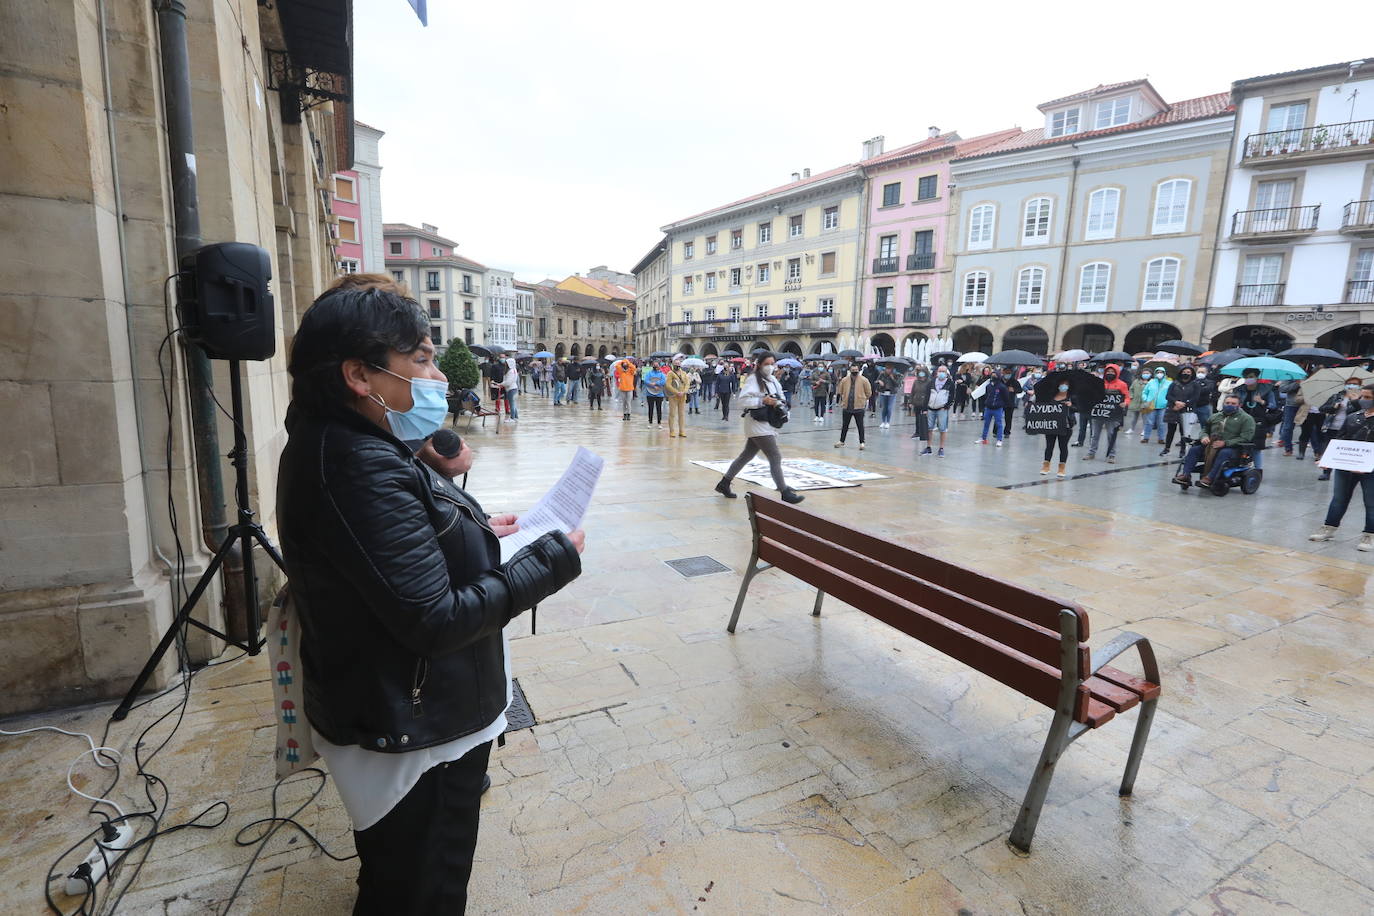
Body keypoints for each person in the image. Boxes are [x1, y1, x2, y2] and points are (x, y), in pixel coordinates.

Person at [277, 285, 584, 914]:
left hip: (399, 704)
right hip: (415, 722)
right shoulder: (355, 464)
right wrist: (551, 559)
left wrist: (480, 532)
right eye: (420, 360)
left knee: (398, 871)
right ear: (360, 375)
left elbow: (399, 550)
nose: (438, 375)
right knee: (426, 888)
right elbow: (433, 618)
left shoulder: (354, 442)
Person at [714, 352, 804, 504]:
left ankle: (724, 483)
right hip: (757, 424)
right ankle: (784, 491)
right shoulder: (753, 380)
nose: (770, 367)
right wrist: (763, 401)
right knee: (775, 456)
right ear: (759, 365)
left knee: (746, 455)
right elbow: (743, 401)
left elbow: (780, 397)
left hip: (768, 423)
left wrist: (782, 408)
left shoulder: (773, 379)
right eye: (767, 364)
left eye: (772, 363)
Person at [1308, 381, 1374, 551]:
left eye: (1368, 397)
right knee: (1339, 498)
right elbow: (1340, 440)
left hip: (1370, 469)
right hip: (1346, 466)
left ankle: (1369, 535)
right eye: (1362, 397)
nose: (1363, 400)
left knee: (1371, 501)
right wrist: (1328, 459)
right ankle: (1329, 527)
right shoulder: (1353, 416)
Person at [1173, 394, 1256, 488]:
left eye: (1233, 403)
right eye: (1227, 403)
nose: (1229, 405)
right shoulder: (1216, 416)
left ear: (1239, 405)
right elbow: (1205, 429)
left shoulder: (1246, 419)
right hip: (1211, 445)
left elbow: (1246, 437)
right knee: (1194, 450)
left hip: (1234, 449)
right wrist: (1204, 437)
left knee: (1224, 452)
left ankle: (1209, 478)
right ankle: (1186, 475)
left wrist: (1225, 443)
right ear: (1223, 403)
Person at [1317, 377, 1366, 480]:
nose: (1352, 386)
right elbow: (1322, 408)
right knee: (1328, 449)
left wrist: (1355, 401)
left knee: (1347, 451)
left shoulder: (1363, 398)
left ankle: (1348, 472)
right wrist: (1333, 407)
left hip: (1350, 429)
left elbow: (1364, 413)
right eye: (1349, 383)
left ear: (1360, 386)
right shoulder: (1337, 396)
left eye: (1355, 384)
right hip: (1333, 426)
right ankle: (1326, 472)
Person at [1235, 368, 1279, 470]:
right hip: (1241, 420)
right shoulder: (1239, 389)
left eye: (1251, 377)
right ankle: (1241, 466)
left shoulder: (1267, 389)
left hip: (1258, 421)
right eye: (1246, 377)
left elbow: (1273, 406)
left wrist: (1261, 401)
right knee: (1239, 445)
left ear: (1257, 377)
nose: (1248, 379)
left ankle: (1258, 470)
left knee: (1256, 448)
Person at [1086, 363, 1131, 463]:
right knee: (1095, 434)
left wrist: (1125, 403)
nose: (1110, 373)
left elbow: (1127, 397)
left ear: (1117, 373)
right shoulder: (1099, 382)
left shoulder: (1122, 384)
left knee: (1111, 434)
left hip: (1113, 414)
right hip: (1098, 413)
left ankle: (1112, 455)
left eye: (1112, 372)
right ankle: (1091, 453)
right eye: (1108, 372)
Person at [1161, 366, 1203, 456]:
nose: (1186, 373)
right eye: (1184, 371)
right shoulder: (1174, 383)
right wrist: (1175, 402)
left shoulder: (1195, 384)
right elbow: (1168, 396)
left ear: (1192, 374)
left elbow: (1195, 398)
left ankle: (1182, 450)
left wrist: (1184, 404)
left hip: (1187, 410)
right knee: (1170, 431)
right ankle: (1167, 448)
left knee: (1184, 431)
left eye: (1188, 372)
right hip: (1173, 409)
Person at [1037, 379, 1076, 478]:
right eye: (1061, 384)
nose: (1063, 386)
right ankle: (1046, 466)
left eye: (1066, 384)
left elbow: (1079, 407)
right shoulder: (1051, 396)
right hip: (1051, 425)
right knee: (1049, 446)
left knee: (1063, 446)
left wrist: (1071, 406)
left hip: (1065, 426)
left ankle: (1062, 467)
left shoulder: (1072, 397)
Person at [835, 361, 872, 449]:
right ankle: (841, 441)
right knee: (845, 425)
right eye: (853, 370)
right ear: (850, 370)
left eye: (856, 370)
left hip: (859, 406)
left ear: (859, 370)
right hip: (847, 406)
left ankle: (862, 442)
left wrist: (862, 399)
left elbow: (869, 392)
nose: (854, 372)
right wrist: (842, 400)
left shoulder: (864, 380)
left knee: (860, 426)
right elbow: (840, 391)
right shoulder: (845, 380)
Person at [922, 367, 953, 457]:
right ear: (937, 372)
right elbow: (927, 395)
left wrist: (947, 406)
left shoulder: (950, 383)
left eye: (943, 371)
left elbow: (952, 396)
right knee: (929, 428)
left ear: (946, 373)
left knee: (943, 429)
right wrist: (925, 409)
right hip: (931, 408)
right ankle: (928, 447)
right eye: (940, 371)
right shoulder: (931, 382)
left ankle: (941, 448)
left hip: (942, 409)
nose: (941, 373)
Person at [979, 369, 1011, 447]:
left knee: (999, 424)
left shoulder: (1002, 387)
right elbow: (987, 395)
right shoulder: (988, 386)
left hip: (998, 408)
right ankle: (983, 438)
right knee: (986, 423)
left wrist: (1001, 405)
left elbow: (1006, 398)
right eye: (992, 375)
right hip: (988, 408)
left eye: (995, 375)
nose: (993, 376)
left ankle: (999, 440)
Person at [1140, 368, 1171, 444]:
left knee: (1162, 423)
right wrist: (1146, 399)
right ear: (1155, 373)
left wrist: (1167, 402)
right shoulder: (1151, 382)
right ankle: (1146, 437)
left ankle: (1161, 438)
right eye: (1158, 372)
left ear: (1164, 373)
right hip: (1151, 405)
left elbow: (1171, 394)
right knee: (1149, 422)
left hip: (1163, 406)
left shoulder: (1169, 383)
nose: (1159, 374)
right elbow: (1144, 392)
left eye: (1161, 372)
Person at [666, 358, 691, 438]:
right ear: (673, 364)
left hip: (683, 396)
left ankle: (681, 431)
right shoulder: (670, 373)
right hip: (673, 396)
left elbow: (687, 383)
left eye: (678, 364)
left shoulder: (683, 373)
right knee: (672, 414)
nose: (677, 365)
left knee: (681, 414)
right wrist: (676, 392)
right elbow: (668, 385)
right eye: (676, 364)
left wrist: (684, 391)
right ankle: (672, 431)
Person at [909, 367, 931, 450]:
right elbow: (912, 392)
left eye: (922, 372)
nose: (921, 374)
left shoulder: (929, 382)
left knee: (924, 419)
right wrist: (911, 402)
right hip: (917, 402)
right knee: (917, 418)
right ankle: (917, 432)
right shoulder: (916, 381)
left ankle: (924, 433)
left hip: (925, 403)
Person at [643, 361, 666, 427]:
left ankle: (659, 422)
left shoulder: (662, 374)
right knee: (650, 408)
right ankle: (650, 422)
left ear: (659, 366)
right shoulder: (649, 373)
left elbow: (663, 381)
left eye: (657, 365)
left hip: (659, 394)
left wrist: (656, 383)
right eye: (654, 365)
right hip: (650, 393)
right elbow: (646, 381)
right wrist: (652, 385)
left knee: (659, 409)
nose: (655, 366)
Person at [501, 354, 520, 422]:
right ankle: (516, 417)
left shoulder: (511, 371)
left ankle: (512, 418)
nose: (505, 365)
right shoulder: (514, 370)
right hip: (513, 388)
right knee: (513, 404)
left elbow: (508, 382)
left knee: (511, 404)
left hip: (511, 389)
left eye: (506, 363)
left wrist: (501, 384)